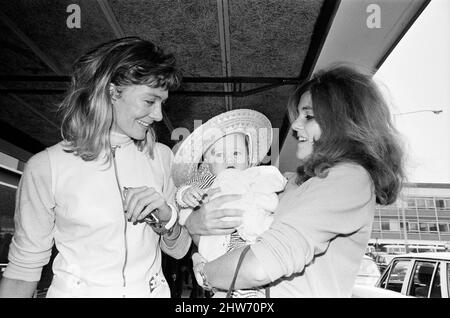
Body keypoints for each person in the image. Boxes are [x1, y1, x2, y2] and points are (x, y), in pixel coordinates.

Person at [185, 65, 405, 297]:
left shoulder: (350, 178)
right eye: (299, 115)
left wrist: (204, 271)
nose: (296, 125)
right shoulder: (300, 182)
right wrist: (194, 223)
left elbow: (259, 267)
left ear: (343, 122)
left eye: (308, 116)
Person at [0, 37, 192, 298]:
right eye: (149, 101)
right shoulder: (46, 166)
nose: (159, 115)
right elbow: (23, 270)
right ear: (112, 92)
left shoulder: (162, 157)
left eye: (162, 103)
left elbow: (180, 249)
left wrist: (166, 218)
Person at [172, 109, 286, 297]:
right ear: (207, 162)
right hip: (221, 251)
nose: (229, 159)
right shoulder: (207, 180)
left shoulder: (253, 175)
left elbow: (273, 180)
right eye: (218, 155)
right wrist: (186, 195)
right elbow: (182, 193)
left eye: (236, 152)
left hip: (254, 245)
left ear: (249, 158)